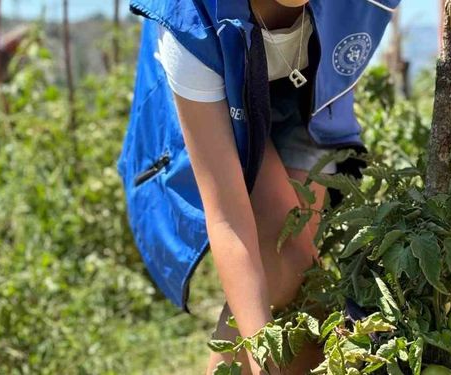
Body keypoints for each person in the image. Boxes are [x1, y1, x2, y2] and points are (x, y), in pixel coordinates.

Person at [117, 0, 400, 373]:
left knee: (295, 278)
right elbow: (228, 218)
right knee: (289, 261)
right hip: (221, 88)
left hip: (308, 94)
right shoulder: (194, 21)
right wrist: (261, 356)